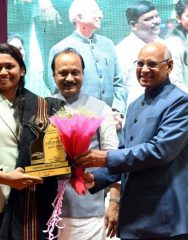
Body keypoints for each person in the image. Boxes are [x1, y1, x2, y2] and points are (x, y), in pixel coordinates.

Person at [75, 42, 188, 240]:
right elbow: (125, 152)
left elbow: (160, 151)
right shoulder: (133, 106)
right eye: (140, 64)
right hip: (134, 215)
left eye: (152, 64)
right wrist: (96, 179)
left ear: (170, 66)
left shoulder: (179, 102)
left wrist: (106, 158)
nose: (144, 69)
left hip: (165, 216)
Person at [0, 43, 65, 240]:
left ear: (22, 70)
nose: (3, 72)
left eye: (10, 66)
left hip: (31, 204)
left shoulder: (42, 106)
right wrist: (3, 177)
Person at [50, 47, 120, 239]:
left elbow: (114, 160)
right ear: (53, 75)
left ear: (83, 74)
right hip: (49, 212)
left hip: (90, 212)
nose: (69, 78)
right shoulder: (42, 107)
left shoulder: (101, 109)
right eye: (63, 73)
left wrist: (114, 202)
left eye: (75, 72)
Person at [48, 0, 127, 128]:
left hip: (112, 123)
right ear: (80, 17)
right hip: (78, 126)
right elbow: (57, 91)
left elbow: (118, 83)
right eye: (96, 11)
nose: (101, 15)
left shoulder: (108, 44)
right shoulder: (60, 49)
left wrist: (117, 112)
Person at [116, 0, 163, 107]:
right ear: (133, 25)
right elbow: (118, 88)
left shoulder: (164, 45)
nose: (156, 21)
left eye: (156, 16)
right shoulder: (123, 50)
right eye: (148, 19)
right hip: (136, 111)